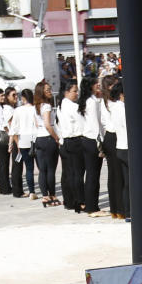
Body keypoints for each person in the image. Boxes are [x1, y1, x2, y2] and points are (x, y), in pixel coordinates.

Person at [80, 77, 108, 217]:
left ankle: (91, 205)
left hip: (87, 139)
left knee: (91, 174)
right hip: (93, 140)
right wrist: (101, 142)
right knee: (93, 175)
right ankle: (92, 207)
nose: (98, 84)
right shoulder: (91, 102)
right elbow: (96, 124)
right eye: (95, 83)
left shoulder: (89, 100)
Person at [58, 80, 85, 212]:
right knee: (77, 174)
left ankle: (69, 201)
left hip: (66, 141)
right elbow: (82, 124)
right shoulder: (73, 107)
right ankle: (79, 201)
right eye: (74, 91)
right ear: (67, 92)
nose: (77, 93)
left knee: (68, 174)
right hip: (75, 140)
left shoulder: (60, 105)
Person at [34, 80, 61, 207]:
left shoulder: (36, 106)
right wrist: (56, 137)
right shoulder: (46, 106)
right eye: (47, 90)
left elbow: (37, 123)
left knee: (42, 170)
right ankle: (52, 195)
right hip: (48, 138)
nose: (50, 92)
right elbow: (47, 124)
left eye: (50, 89)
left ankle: (45, 195)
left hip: (39, 138)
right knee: (50, 169)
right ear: (42, 93)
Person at [100, 75, 122, 219]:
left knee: (113, 173)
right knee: (118, 174)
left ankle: (115, 208)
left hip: (109, 136)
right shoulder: (113, 103)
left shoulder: (104, 101)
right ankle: (119, 207)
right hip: (114, 135)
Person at [10, 89, 37, 199]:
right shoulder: (35, 109)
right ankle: (48, 192)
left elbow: (14, 127)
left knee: (29, 167)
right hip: (35, 137)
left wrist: (11, 142)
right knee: (41, 166)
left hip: (23, 140)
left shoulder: (17, 110)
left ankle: (31, 191)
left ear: (23, 98)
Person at [110, 80, 130, 221]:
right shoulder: (121, 108)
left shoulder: (115, 107)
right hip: (127, 146)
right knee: (129, 183)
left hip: (120, 146)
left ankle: (128, 211)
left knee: (127, 182)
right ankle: (129, 211)